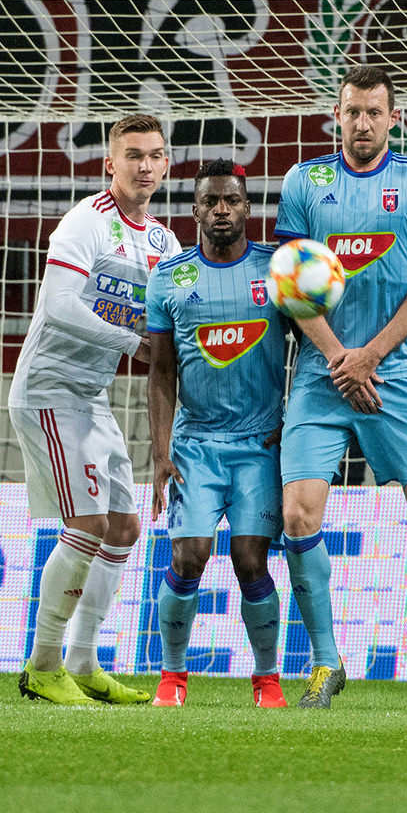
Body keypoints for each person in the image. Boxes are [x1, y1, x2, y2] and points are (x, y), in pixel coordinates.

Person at [276, 65, 407, 711]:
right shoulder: (305, 183)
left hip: (401, 375)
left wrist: (370, 356)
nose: (362, 123)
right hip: (322, 374)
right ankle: (324, 661)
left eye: (373, 112)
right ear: (336, 116)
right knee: (298, 514)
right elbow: (291, 288)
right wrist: (342, 358)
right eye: (352, 112)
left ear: (394, 118)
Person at [10, 114, 180, 705]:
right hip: (49, 389)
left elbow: (175, 327)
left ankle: (82, 662)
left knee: (125, 526)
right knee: (87, 523)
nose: (144, 166)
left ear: (166, 165)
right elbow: (58, 304)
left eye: (154, 155)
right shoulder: (86, 221)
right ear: (110, 163)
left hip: (91, 395)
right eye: (132, 155)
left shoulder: (164, 243)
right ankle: (42, 665)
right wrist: (132, 342)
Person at [145, 159, 287, 709]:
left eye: (231, 200)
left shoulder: (277, 270)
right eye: (210, 201)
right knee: (189, 556)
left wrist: (294, 422)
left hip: (259, 444)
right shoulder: (169, 277)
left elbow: (312, 347)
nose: (221, 210)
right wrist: (160, 452)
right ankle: (172, 676)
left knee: (251, 560)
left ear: (248, 206)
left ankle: (267, 680)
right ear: (195, 210)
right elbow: (161, 371)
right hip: (195, 445)